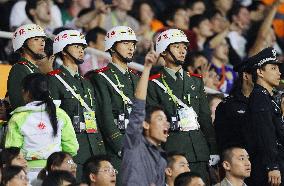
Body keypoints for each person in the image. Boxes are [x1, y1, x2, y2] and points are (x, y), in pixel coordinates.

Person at [147, 28, 218, 182]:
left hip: (199, 150)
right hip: (174, 149)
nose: (182, 51)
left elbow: (205, 117)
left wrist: (213, 150)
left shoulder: (195, 80)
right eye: (176, 46)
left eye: (184, 47)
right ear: (164, 52)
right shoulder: (153, 83)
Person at [48, 29, 106, 181]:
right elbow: (53, 118)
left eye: (82, 47)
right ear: (64, 51)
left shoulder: (86, 83)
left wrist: (100, 147)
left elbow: (93, 115)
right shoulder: (54, 80)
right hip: (73, 149)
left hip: (93, 147)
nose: (81, 50)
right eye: (76, 46)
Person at [5, 73, 79, 181]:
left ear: (27, 93)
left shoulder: (18, 118)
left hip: (27, 175)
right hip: (57, 175)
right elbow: (71, 148)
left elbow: (12, 152)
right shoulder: (60, 114)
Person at [88, 26, 139, 176]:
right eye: (125, 43)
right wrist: (121, 147)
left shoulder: (135, 77)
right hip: (118, 149)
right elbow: (105, 117)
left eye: (133, 44)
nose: (131, 48)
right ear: (112, 46)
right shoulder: (101, 77)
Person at [120, 41, 168, 186]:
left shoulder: (161, 160)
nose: (166, 123)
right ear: (145, 124)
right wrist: (147, 67)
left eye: (166, 120)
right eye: (160, 119)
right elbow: (139, 106)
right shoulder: (134, 142)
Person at [246, 47, 283, 186]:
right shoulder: (259, 98)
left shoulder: (267, 97)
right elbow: (265, 133)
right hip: (268, 169)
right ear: (260, 72)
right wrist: (272, 165)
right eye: (273, 68)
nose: (279, 72)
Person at [214, 58, 254, 152]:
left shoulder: (268, 102)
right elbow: (222, 142)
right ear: (245, 76)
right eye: (258, 72)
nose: (262, 75)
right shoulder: (227, 106)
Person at [7, 24, 46, 110]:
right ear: (23, 45)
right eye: (36, 39)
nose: (42, 43)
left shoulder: (35, 69)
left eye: (43, 40)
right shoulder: (19, 69)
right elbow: (19, 105)